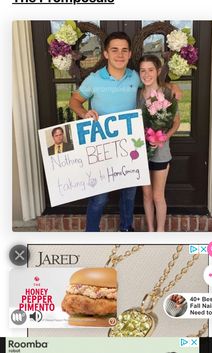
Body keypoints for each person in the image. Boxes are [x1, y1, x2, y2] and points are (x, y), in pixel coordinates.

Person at [69, 32, 140, 232]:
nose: (120, 54)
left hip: (128, 146)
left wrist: (172, 86)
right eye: (114, 50)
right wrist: (84, 113)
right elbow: (74, 101)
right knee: (99, 197)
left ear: (130, 53)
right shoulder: (94, 79)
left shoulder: (135, 77)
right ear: (106, 54)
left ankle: (126, 229)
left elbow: (154, 87)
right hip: (100, 147)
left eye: (124, 50)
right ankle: (91, 233)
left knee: (128, 194)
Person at [138, 55, 181, 232]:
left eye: (150, 70)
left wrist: (164, 137)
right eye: (142, 70)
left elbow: (177, 121)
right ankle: (150, 230)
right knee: (146, 195)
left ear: (157, 71)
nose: (146, 74)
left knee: (157, 195)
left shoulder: (168, 93)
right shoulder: (138, 94)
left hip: (161, 152)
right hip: (140, 151)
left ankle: (160, 231)